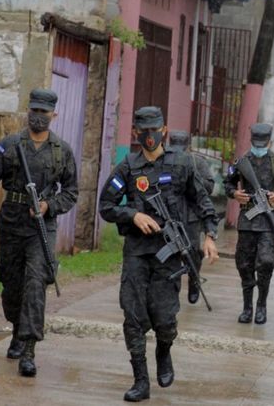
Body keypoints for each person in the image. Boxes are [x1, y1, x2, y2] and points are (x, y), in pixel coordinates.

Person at [99, 107, 220, 402]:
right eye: (143, 131)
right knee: (133, 316)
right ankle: (141, 380)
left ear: (164, 131)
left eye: (154, 130)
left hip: (169, 256)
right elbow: (106, 205)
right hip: (137, 253)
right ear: (136, 133)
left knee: (165, 320)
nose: (149, 137)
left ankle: (164, 351)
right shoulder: (127, 167)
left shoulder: (183, 164)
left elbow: (202, 200)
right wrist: (132, 215)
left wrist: (210, 235)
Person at [0, 88, 78, 378]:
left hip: (40, 228)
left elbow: (71, 192)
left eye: (44, 113)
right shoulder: (9, 145)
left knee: (35, 284)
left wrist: (49, 205)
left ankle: (30, 350)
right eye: (34, 111)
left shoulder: (62, 151)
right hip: (11, 222)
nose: (38, 117)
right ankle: (18, 331)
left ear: (53, 115)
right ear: (28, 111)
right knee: (11, 284)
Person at [224, 123, 274, 325]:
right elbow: (228, 182)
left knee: (265, 262)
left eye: (262, 143)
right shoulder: (241, 162)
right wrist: (235, 193)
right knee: (244, 265)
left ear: (269, 142)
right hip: (247, 222)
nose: (259, 146)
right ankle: (247, 307)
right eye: (257, 143)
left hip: (267, 223)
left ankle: (261, 305)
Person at [168, 130, 215, 305]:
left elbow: (210, 187)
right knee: (171, 253)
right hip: (170, 215)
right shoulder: (164, 161)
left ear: (188, 147)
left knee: (193, 253)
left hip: (191, 216)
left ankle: (194, 280)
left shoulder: (198, 162)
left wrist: (193, 179)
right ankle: (172, 287)